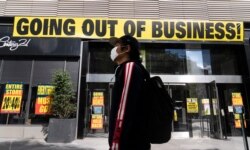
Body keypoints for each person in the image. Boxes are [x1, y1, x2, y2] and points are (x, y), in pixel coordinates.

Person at [108, 35, 151, 150]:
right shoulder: (129, 68)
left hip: (128, 143)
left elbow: (124, 108)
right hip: (133, 141)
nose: (113, 50)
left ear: (126, 49)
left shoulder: (130, 67)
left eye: (117, 46)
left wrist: (116, 143)